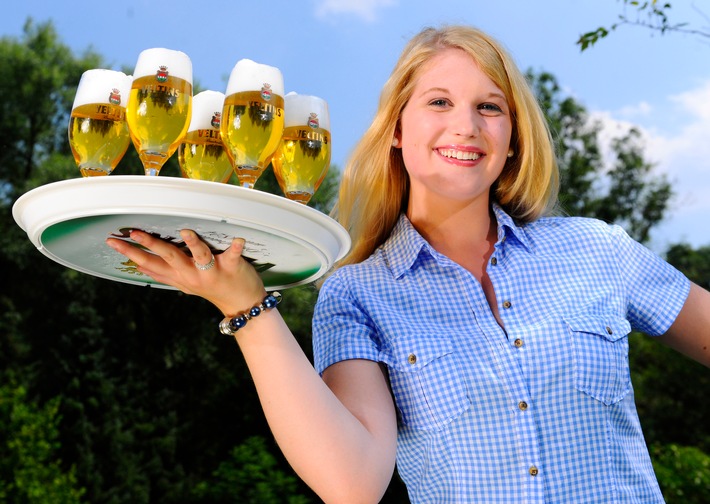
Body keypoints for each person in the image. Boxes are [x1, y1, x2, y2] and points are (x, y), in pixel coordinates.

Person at [106, 25, 710, 503]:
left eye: (490, 108)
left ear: (514, 135)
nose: (466, 126)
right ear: (397, 128)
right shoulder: (357, 295)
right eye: (439, 101)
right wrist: (246, 308)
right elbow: (352, 484)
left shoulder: (596, 249)